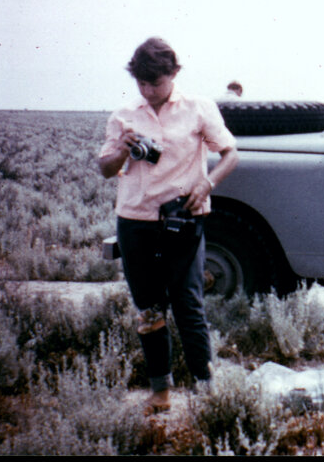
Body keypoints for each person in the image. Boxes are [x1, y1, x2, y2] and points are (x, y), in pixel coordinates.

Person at [97, 37, 239, 413]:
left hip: (183, 218)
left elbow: (230, 154)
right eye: (142, 84)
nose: (149, 91)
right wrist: (123, 149)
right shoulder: (123, 114)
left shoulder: (198, 108)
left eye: (156, 83)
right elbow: (106, 168)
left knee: (188, 305)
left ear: (173, 75)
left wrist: (207, 183)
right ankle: (160, 390)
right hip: (135, 221)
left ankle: (206, 390)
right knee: (148, 308)